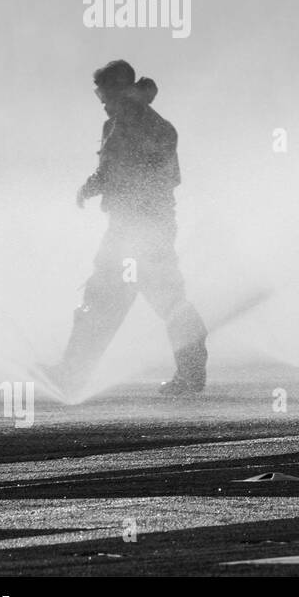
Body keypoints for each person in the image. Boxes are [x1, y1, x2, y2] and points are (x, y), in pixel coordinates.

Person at [46, 60, 208, 396]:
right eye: (99, 96)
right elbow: (113, 169)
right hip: (127, 226)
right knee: (103, 298)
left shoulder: (149, 127)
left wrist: (101, 187)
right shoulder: (121, 124)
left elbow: (157, 176)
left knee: (163, 299)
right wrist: (95, 185)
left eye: (104, 95)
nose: (102, 102)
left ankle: (190, 373)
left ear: (120, 91)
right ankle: (73, 373)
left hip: (146, 228)